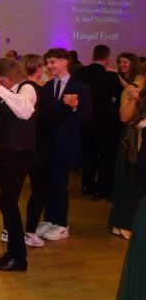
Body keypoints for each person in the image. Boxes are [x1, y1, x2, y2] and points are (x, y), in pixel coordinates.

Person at [0, 58, 38, 272]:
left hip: (19, 154)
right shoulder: (6, 93)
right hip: (9, 154)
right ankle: (15, 254)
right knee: (7, 202)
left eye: (0, 80)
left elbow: (25, 111)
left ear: (6, 77)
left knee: (8, 202)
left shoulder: (27, 88)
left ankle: (18, 257)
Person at [31, 48, 93, 241]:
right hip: (47, 143)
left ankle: (62, 223)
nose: (49, 66)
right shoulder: (47, 86)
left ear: (64, 62)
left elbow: (88, 116)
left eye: (52, 62)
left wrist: (74, 107)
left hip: (66, 143)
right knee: (48, 182)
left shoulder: (80, 86)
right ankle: (50, 219)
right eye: (47, 63)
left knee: (60, 182)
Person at [74, 44, 123, 199]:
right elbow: (121, 96)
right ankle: (102, 189)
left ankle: (87, 185)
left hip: (84, 120)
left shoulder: (80, 72)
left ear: (93, 56)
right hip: (104, 122)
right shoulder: (110, 76)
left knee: (88, 153)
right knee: (105, 156)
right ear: (107, 58)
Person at [108, 82, 145, 240]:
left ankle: (124, 223)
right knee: (131, 183)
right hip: (133, 144)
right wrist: (135, 99)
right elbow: (124, 117)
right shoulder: (134, 91)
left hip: (138, 144)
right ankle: (123, 224)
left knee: (135, 185)